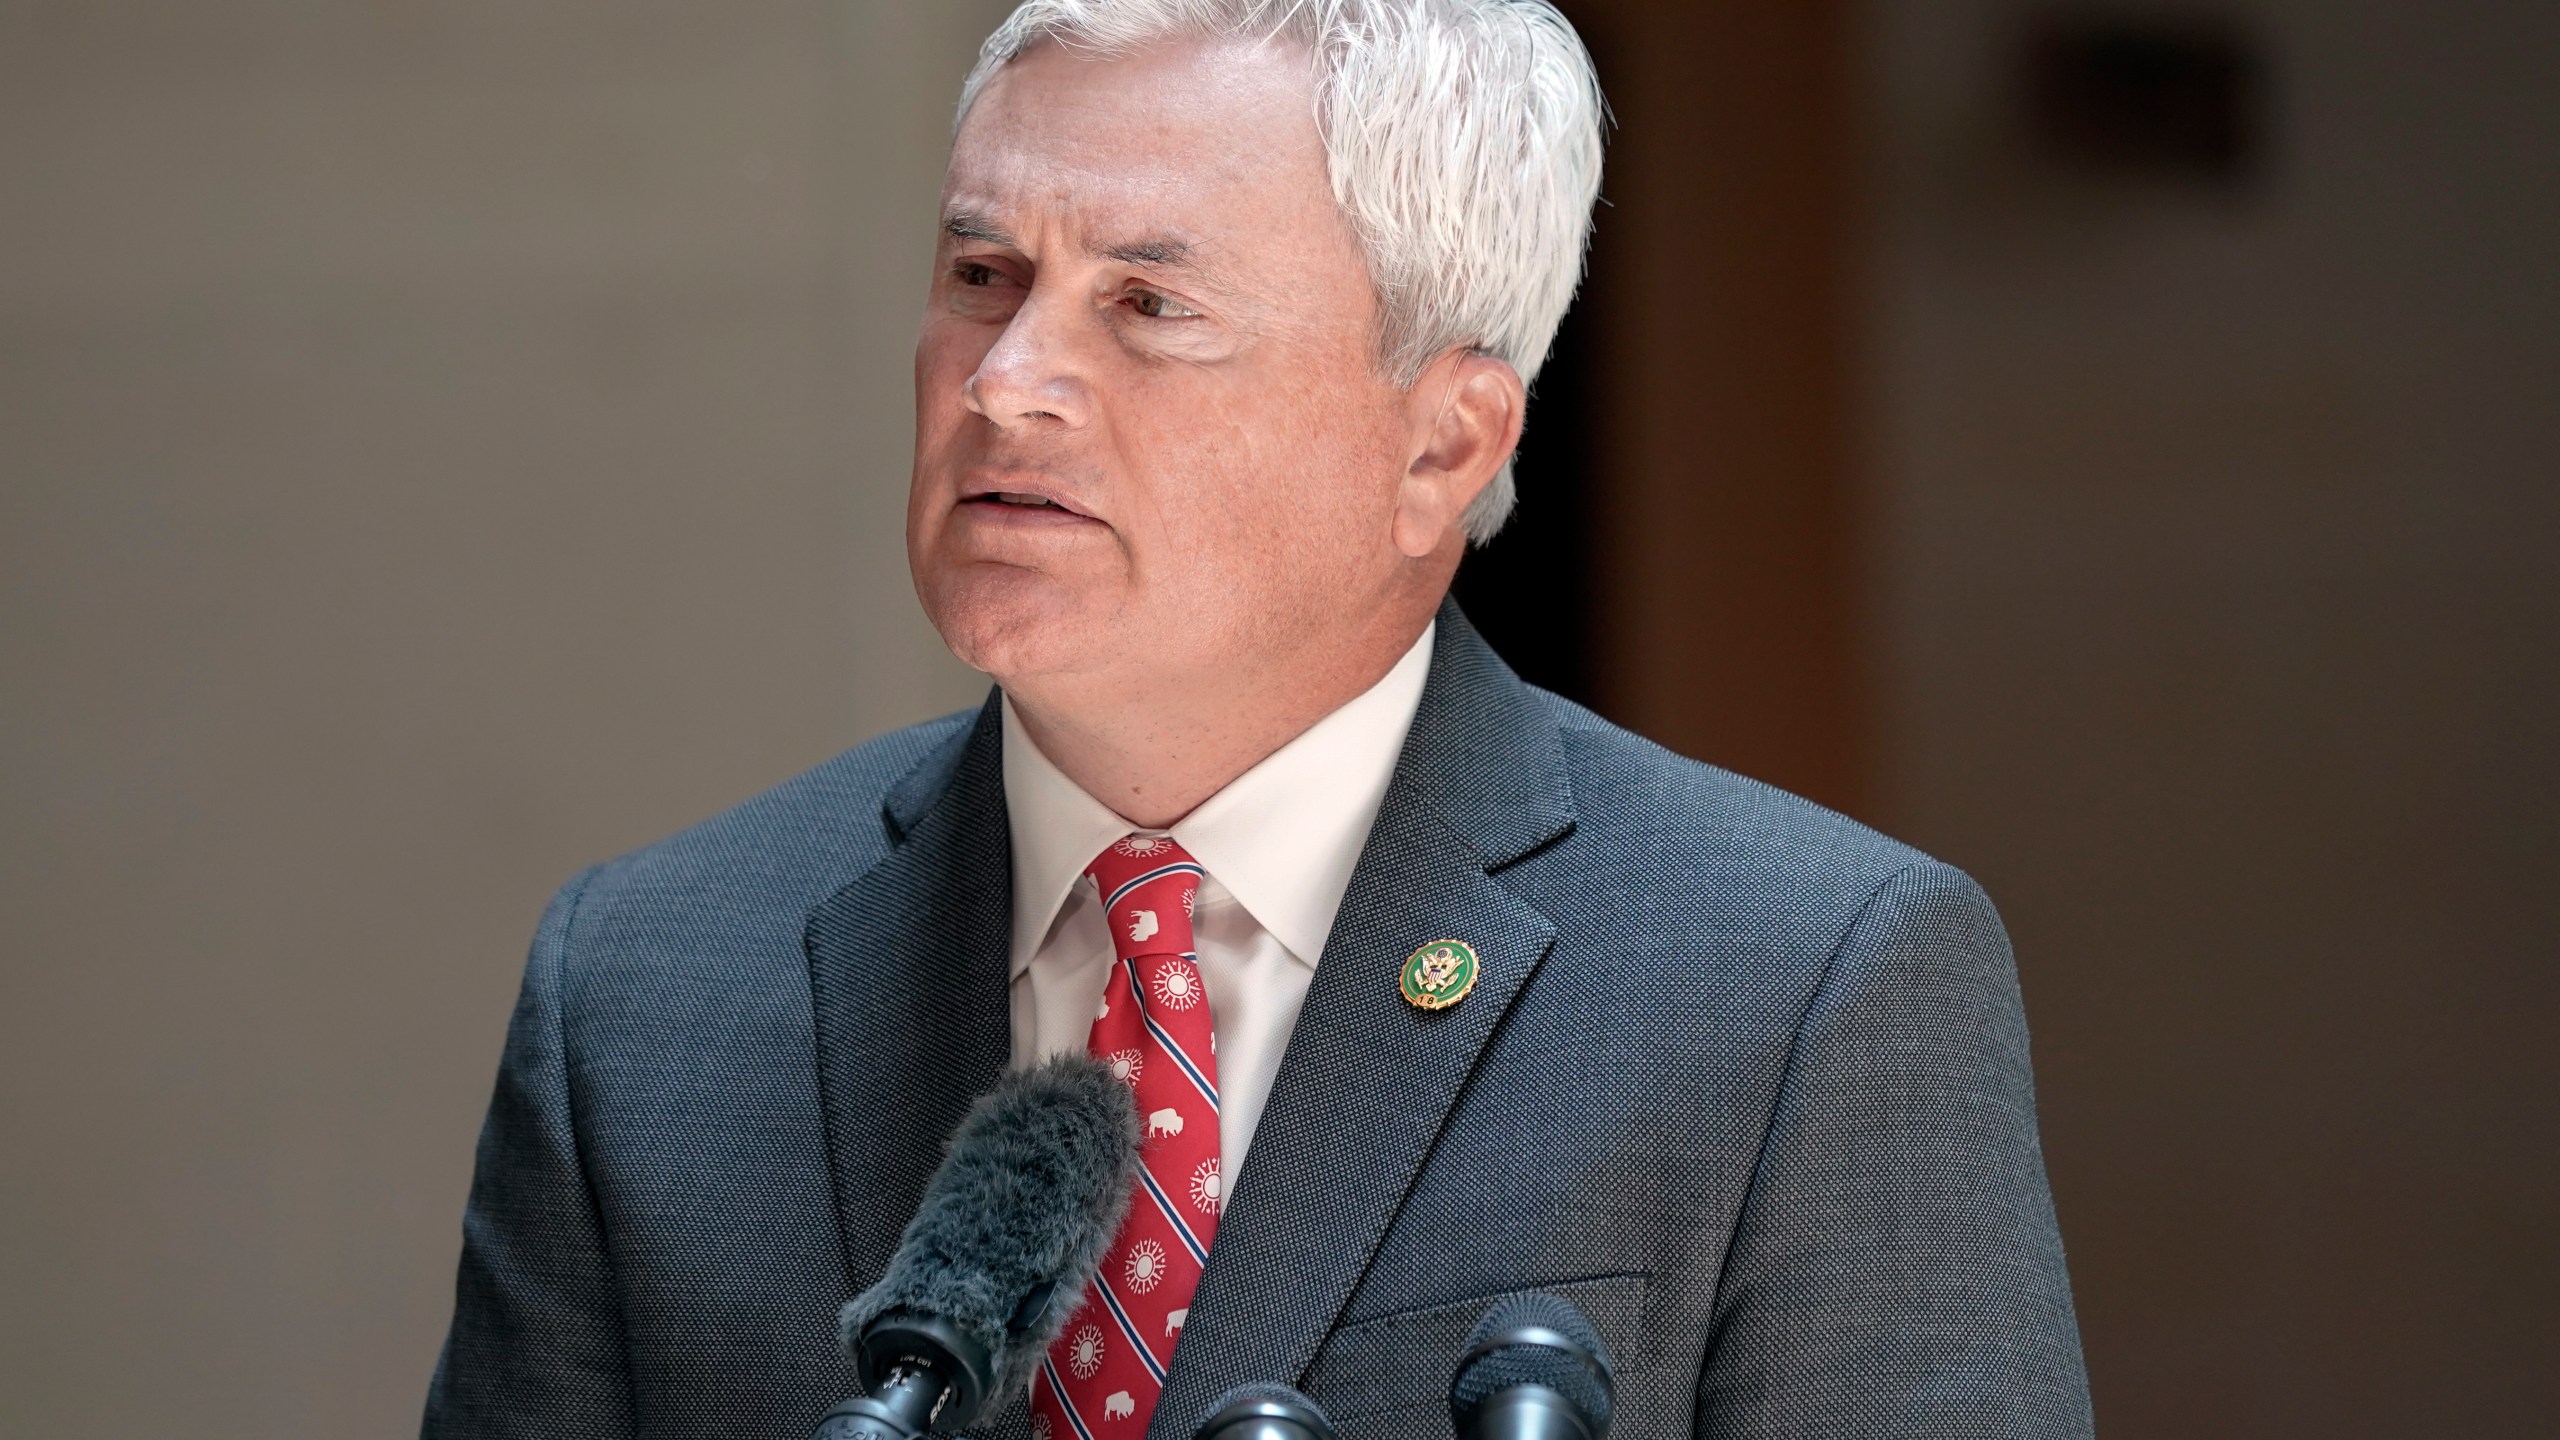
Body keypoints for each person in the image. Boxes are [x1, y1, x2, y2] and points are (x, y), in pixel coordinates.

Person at [423, 2, 2093, 1437]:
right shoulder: (646, 994)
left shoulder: (1805, 988)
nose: (1005, 379)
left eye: (1147, 305)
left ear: (1441, 442)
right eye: (983, 272)